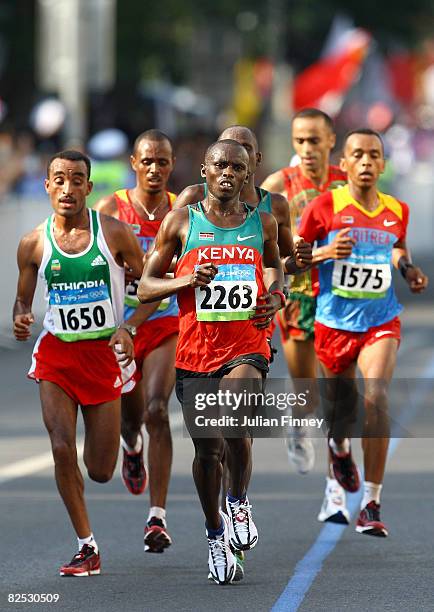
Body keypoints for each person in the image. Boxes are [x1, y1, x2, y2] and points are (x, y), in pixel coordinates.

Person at [137, 139, 292, 584]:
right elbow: (147, 287)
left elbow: (274, 267)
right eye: (219, 164)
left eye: (236, 167)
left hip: (247, 344)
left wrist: (277, 296)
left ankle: (239, 501)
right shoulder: (182, 221)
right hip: (196, 352)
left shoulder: (262, 223)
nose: (227, 172)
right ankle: (213, 531)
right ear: (203, 170)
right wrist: (186, 278)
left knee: (235, 423)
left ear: (247, 176)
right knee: (207, 451)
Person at [13, 150, 145, 575]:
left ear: (89, 188)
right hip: (57, 355)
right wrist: (20, 315)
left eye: (77, 180)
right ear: (47, 185)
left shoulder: (116, 234)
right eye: (59, 179)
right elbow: (22, 296)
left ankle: (131, 443)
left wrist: (131, 327)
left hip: (103, 356)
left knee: (101, 471)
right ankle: (87, 546)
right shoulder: (34, 242)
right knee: (60, 447)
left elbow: (148, 289)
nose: (68, 188)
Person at [298, 129, 428, 536]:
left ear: (384, 164)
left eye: (375, 154)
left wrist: (408, 270)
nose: (367, 162)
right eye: (359, 154)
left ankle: (371, 501)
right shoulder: (324, 207)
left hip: (380, 321)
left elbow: (397, 248)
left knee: (376, 395)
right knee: (338, 414)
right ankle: (339, 449)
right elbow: (291, 258)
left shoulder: (397, 209)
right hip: (333, 322)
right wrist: (323, 252)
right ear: (346, 163)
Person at [261, 108, 348, 520]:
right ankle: (299, 421)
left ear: (331, 140)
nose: (307, 149)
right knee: (308, 394)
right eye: (300, 141)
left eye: (315, 140)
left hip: (341, 299)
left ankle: (335, 487)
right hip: (298, 297)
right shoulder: (278, 186)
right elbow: (256, 238)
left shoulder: (346, 184)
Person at [94, 129, 178, 552]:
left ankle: (157, 518)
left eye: (162, 162)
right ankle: (131, 445)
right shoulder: (111, 209)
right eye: (147, 161)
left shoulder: (183, 212)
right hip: (118, 327)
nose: (155, 169)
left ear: (172, 165)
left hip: (163, 322)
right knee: (131, 419)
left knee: (157, 408)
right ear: (134, 163)